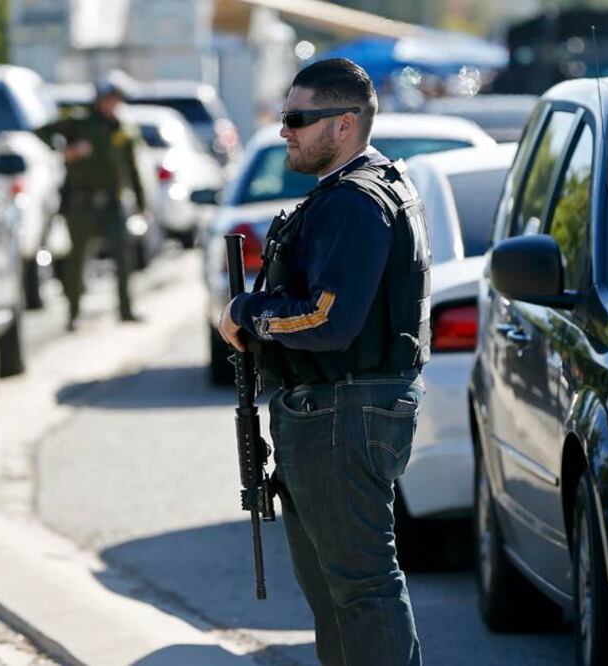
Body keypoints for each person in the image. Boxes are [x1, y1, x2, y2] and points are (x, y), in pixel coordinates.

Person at [218, 58, 430, 666]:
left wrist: (248, 312)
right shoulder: (366, 188)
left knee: (362, 591)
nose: (284, 130)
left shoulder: (353, 203)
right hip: (339, 411)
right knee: (337, 597)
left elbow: (328, 320)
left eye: (295, 118)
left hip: (341, 414)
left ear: (342, 124)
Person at [35, 71, 147, 330]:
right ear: (99, 99)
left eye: (117, 100)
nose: (113, 104)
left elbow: (131, 170)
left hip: (111, 203)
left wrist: (141, 205)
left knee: (122, 255)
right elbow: (41, 133)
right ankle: (72, 314)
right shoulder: (79, 122)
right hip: (81, 204)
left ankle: (125, 310)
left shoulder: (122, 130)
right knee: (77, 260)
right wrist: (67, 151)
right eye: (110, 99)